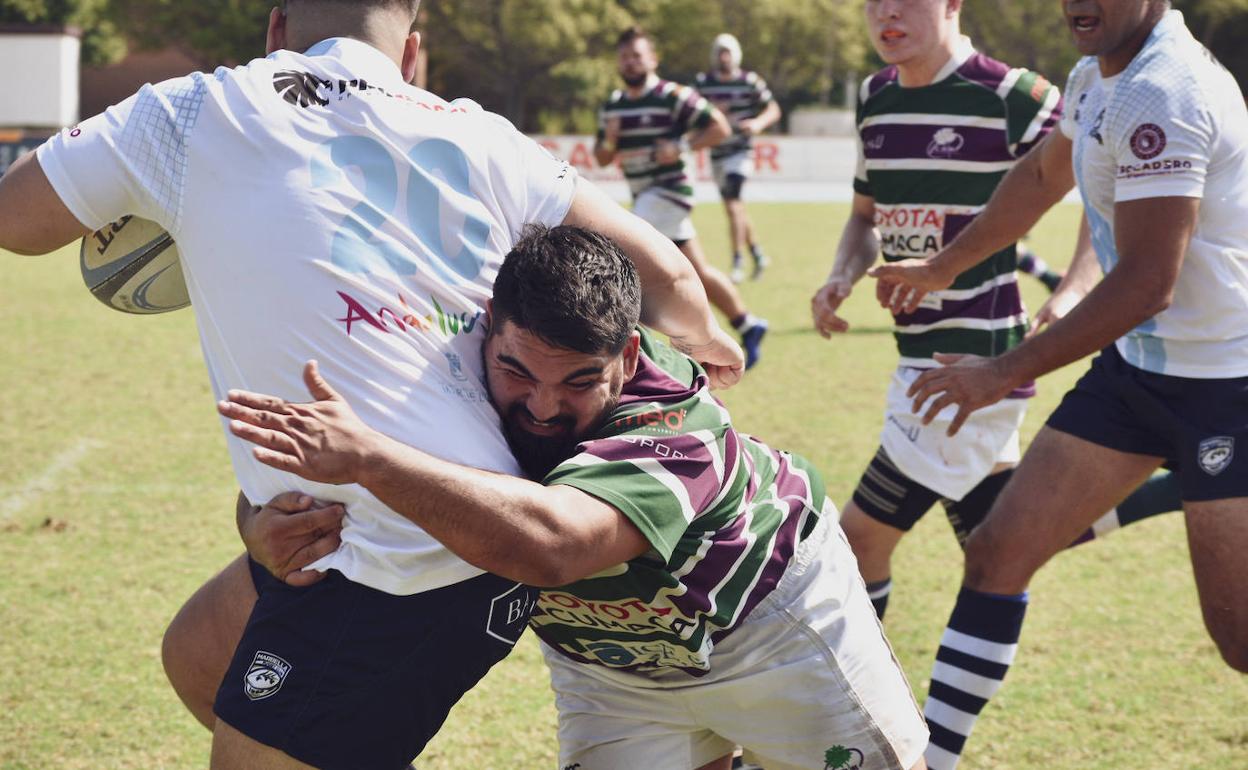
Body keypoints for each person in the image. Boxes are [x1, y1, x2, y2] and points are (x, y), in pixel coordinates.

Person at [0, 1, 746, 767]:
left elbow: (17, 219)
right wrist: (707, 343)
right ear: (412, 53)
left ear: (276, 32)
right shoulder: (484, 135)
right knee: (201, 654)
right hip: (427, 521)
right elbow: (670, 274)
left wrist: (167, 200)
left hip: (403, 557)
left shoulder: (196, 109)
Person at [215, 224, 931, 770]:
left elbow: (554, 547)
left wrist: (370, 459)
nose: (542, 407)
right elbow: (311, 478)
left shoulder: (675, 422)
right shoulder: (446, 369)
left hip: (772, 631)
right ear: (487, 326)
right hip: (607, 668)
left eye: (579, 382)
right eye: (517, 372)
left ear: (626, 357)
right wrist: (259, 522)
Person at [869, 2, 1248, 768]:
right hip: (1138, 374)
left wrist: (999, 372)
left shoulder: (1164, 90)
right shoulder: (1095, 76)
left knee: (1239, 640)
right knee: (998, 550)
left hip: (1226, 390)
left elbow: (1146, 283)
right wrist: (943, 267)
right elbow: (1039, 175)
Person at [810, 0, 1176, 624]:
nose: (886, 15)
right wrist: (842, 273)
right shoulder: (874, 96)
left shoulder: (1015, 95)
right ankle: (1185, 486)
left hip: (973, 368)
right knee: (1001, 539)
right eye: (874, 2)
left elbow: (1105, 185)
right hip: (917, 356)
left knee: (859, 541)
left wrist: (1076, 285)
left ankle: (861, 699)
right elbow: (865, 216)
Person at [597, 26, 770, 370]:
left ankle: (632, 356)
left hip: (669, 192)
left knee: (622, 258)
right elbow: (602, 157)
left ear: (652, 59)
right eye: (625, 57)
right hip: (647, 195)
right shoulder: (613, 106)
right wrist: (610, 140)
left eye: (637, 56)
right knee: (697, 273)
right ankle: (748, 325)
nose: (631, 63)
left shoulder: (673, 94)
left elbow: (718, 127)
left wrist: (680, 146)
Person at [695, 33, 782, 284]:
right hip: (717, 154)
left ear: (736, 54)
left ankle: (737, 261)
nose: (724, 57)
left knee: (733, 204)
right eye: (720, 52)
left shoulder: (750, 81)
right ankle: (757, 252)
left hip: (740, 153)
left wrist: (758, 123)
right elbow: (691, 112)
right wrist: (710, 115)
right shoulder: (704, 84)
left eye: (728, 52)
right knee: (735, 208)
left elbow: (773, 109)